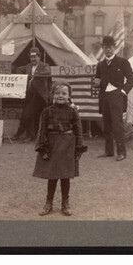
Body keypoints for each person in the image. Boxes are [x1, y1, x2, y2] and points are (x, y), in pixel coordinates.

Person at [33, 82, 87, 217]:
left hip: (68, 145)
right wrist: (43, 147)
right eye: (57, 93)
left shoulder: (72, 111)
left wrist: (79, 148)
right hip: (52, 145)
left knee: (65, 176)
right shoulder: (47, 111)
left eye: (64, 93)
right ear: (52, 95)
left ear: (69, 96)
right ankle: (48, 203)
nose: (60, 96)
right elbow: (42, 130)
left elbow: (78, 130)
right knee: (52, 176)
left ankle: (65, 203)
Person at [93, 35, 133, 161]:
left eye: (110, 47)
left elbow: (131, 79)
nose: (108, 50)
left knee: (117, 125)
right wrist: (97, 83)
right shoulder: (100, 65)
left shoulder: (123, 62)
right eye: (105, 47)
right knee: (106, 125)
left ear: (114, 48)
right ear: (102, 48)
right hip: (104, 97)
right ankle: (109, 151)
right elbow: (98, 81)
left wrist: (122, 92)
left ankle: (121, 152)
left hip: (117, 96)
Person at [12, 46, 51, 141]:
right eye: (31, 57)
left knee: (28, 115)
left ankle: (24, 134)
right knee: (27, 115)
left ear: (39, 57)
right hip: (30, 95)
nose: (33, 59)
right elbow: (18, 69)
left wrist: (33, 76)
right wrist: (23, 78)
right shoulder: (28, 66)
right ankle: (29, 134)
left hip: (40, 95)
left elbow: (47, 72)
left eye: (35, 57)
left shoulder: (45, 65)